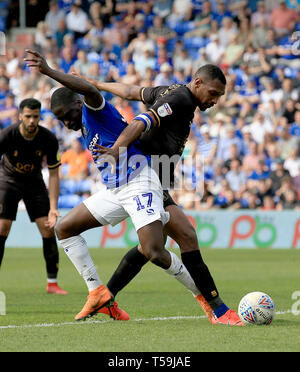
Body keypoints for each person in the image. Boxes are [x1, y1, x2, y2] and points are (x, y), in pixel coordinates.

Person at [24, 50, 204, 322]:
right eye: (60, 119)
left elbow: (89, 89)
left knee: (154, 250)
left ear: (78, 102)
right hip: (117, 189)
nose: (66, 122)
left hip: (139, 179)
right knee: (65, 228)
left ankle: (203, 295)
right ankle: (97, 292)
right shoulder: (82, 124)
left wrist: (49, 71)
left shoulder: (95, 109)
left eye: (67, 114)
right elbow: (126, 92)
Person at [79, 65, 244, 326]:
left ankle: (105, 299)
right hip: (145, 178)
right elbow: (141, 121)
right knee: (186, 237)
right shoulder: (179, 99)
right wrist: (117, 149)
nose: (214, 101)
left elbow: (133, 91)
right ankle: (220, 310)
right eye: (213, 93)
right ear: (198, 83)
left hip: (152, 179)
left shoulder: (174, 92)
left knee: (149, 248)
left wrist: (98, 84)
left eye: (220, 97)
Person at [0, 98, 67, 295]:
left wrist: (54, 207)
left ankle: (52, 283)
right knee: (2, 228)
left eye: (35, 117)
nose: (31, 121)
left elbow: (54, 174)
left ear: (40, 117)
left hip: (34, 183)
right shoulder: (7, 135)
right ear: (20, 116)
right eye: (27, 116)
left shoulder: (49, 138)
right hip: (8, 180)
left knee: (48, 228)